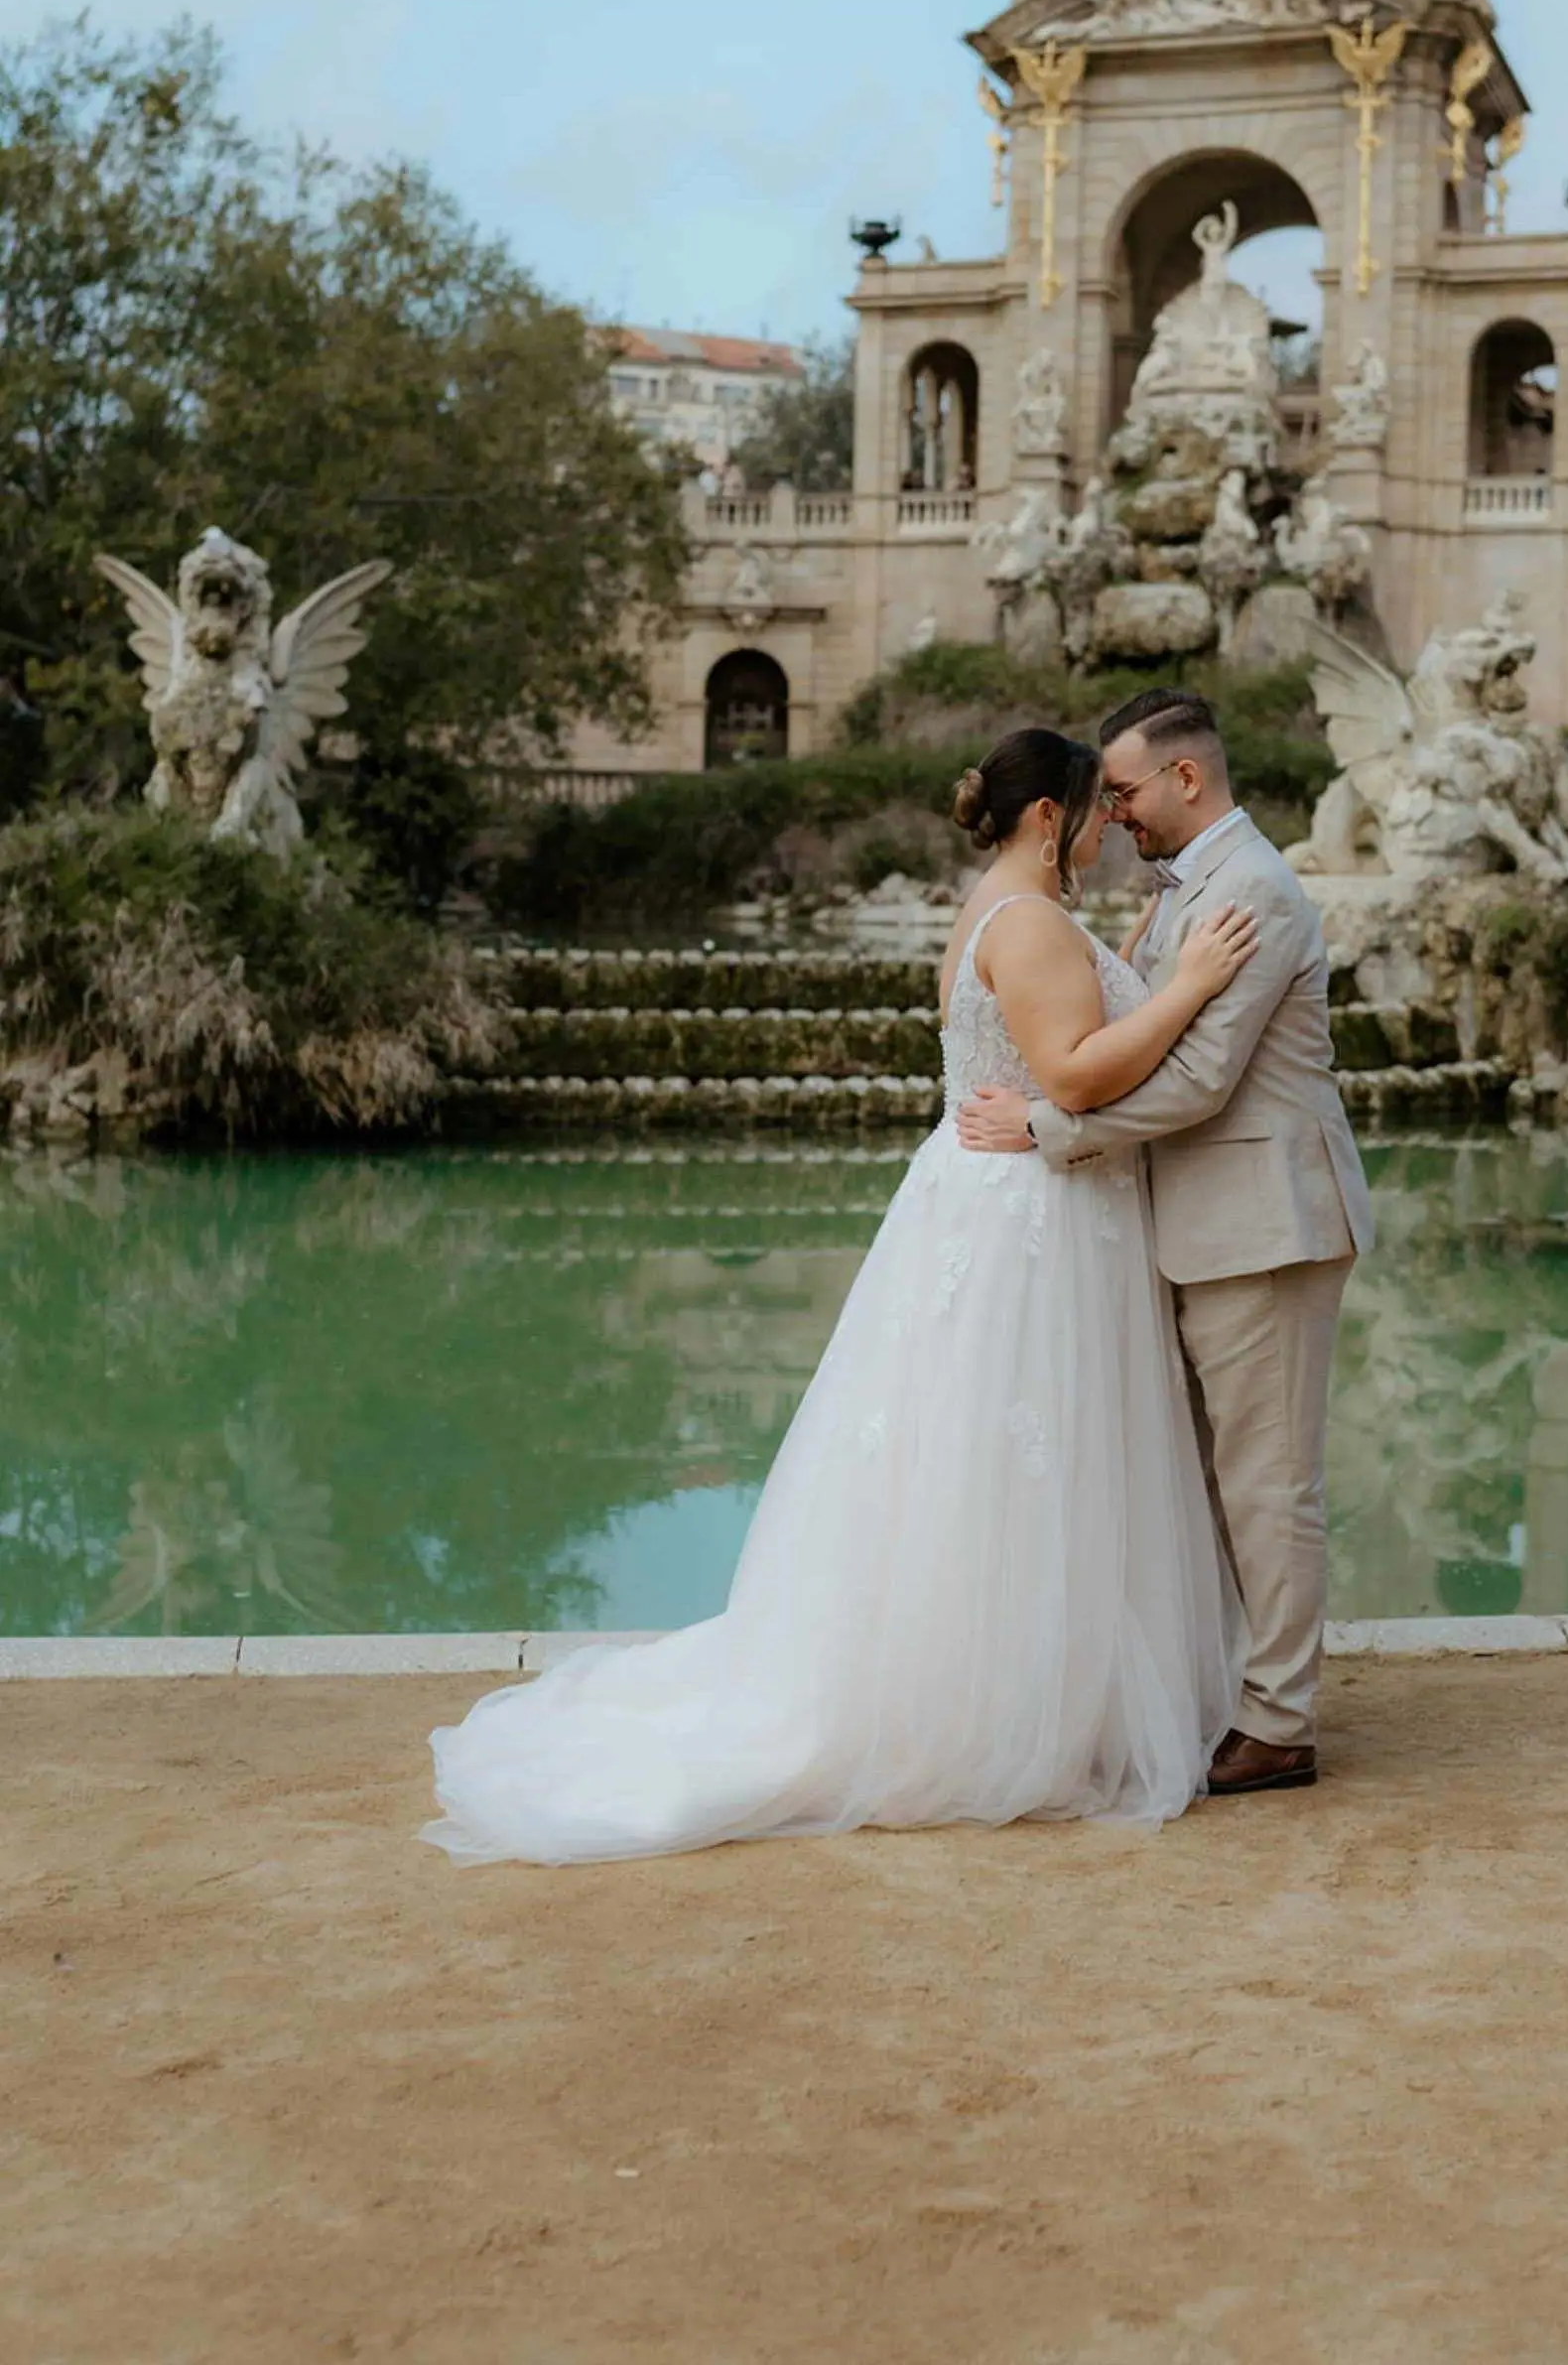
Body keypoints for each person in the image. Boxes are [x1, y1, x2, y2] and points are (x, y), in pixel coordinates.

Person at [425, 727, 1255, 1865]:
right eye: (1094, 810)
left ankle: (1013, 1679)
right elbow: (1068, 1075)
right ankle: (1008, 1706)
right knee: (1022, 1456)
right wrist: (1194, 985)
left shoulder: (991, 907)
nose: (1111, 825)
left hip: (991, 1201)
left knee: (976, 1458)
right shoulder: (1031, 924)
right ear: (1048, 819)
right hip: (1034, 1218)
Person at [959, 690, 1373, 1796]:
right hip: (1196, 1223)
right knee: (1206, 1478)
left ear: (1186, 779)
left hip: (1264, 1225)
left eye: (1130, 790)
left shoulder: (1254, 893)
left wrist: (1047, 1129)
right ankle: (1228, 1691)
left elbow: (1197, 1081)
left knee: (1266, 1481)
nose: (1120, 812)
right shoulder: (1182, 890)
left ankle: (1278, 1721)